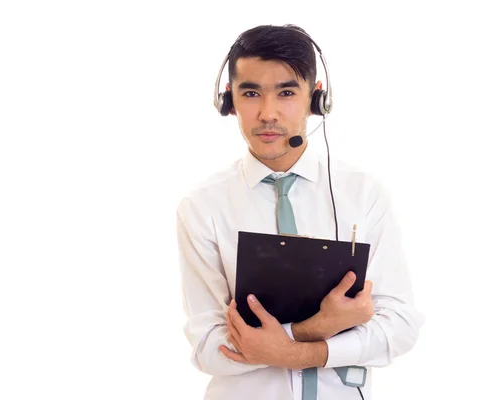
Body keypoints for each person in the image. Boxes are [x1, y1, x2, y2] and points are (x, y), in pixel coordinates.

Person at [176, 24, 424, 400]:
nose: (268, 113)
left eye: (287, 92)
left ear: (316, 99)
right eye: (251, 93)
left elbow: (400, 326)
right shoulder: (202, 207)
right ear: (229, 101)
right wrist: (317, 328)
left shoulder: (363, 194)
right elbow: (209, 348)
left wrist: (296, 352)